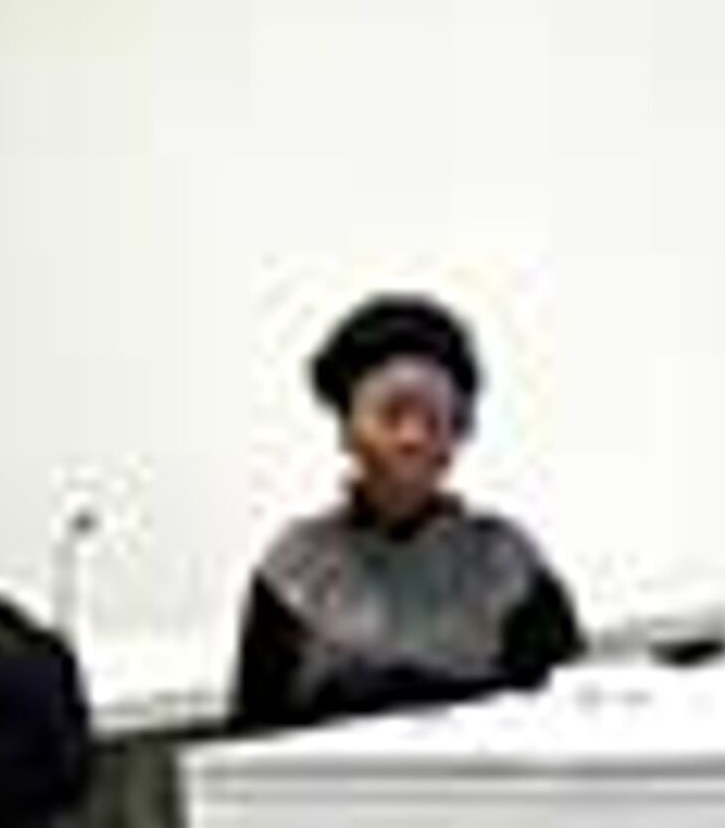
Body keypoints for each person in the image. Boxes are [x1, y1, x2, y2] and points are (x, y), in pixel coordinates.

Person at [229, 292, 583, 733]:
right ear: (347, 429)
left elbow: (565, 724)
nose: (412, 438)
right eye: (391, 414)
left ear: (460, 432)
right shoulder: (294, 572)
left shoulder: (509, 565)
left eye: (433, 417)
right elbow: (253, 743)